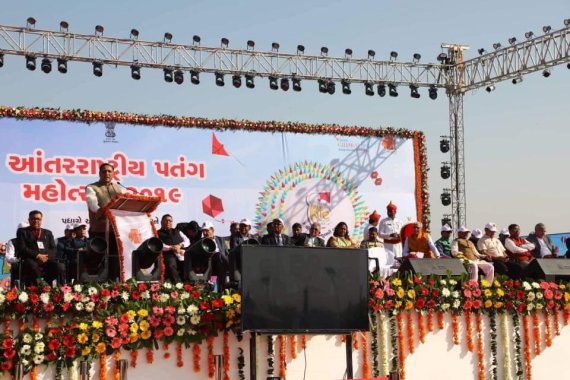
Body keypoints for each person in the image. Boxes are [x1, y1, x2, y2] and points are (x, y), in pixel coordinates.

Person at [85, 163, 126, 281]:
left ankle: (114, 285)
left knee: (115, 259)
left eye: (109, 171)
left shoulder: (120, 188)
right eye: (104, 171)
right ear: (99, 173)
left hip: (117, 230)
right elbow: (93, 204)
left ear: (113, 173)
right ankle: (96, 286)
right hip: (99, 230)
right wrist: (100, 211)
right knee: (97, 259)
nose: (107, 173)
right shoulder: (91, 187)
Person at [17, 210, 65, 285]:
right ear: (29, 220)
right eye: (33, 219)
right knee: (32, 266)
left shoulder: (48, 232)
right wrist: (38, 256)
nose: (36, 221)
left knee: (60, 266)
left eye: (38, 219)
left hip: (46, 259)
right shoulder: (22, 231)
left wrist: (45, 257)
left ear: (41, 220)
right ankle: (39, 287)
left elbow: (53, 249)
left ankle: (50, 285)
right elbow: (22, 248)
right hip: (31, 259)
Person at [158, 214, 190, 283]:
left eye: (170, 221)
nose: (168, 222)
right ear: (161, 222)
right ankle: (178, 286)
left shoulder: (177, 231)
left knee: (188, 262)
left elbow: (187, 241)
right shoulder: (158, 233)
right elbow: (159, 245)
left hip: (180, 252)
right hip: (168, 254)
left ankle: (188, 285)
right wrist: (171, 248)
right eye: (166, 220)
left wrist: (180, 245)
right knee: (171, 263)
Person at [200, 221, 229, 290]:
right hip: (210, 262)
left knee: (220, 258)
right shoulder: (202, 242)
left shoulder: (220, 239)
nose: (204, 233)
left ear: (212, 230)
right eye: (203, 231)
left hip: (220, 264)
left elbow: (226, 252)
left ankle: (220, 286)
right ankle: (222, 285)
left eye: (206, 230)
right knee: (218, 255)